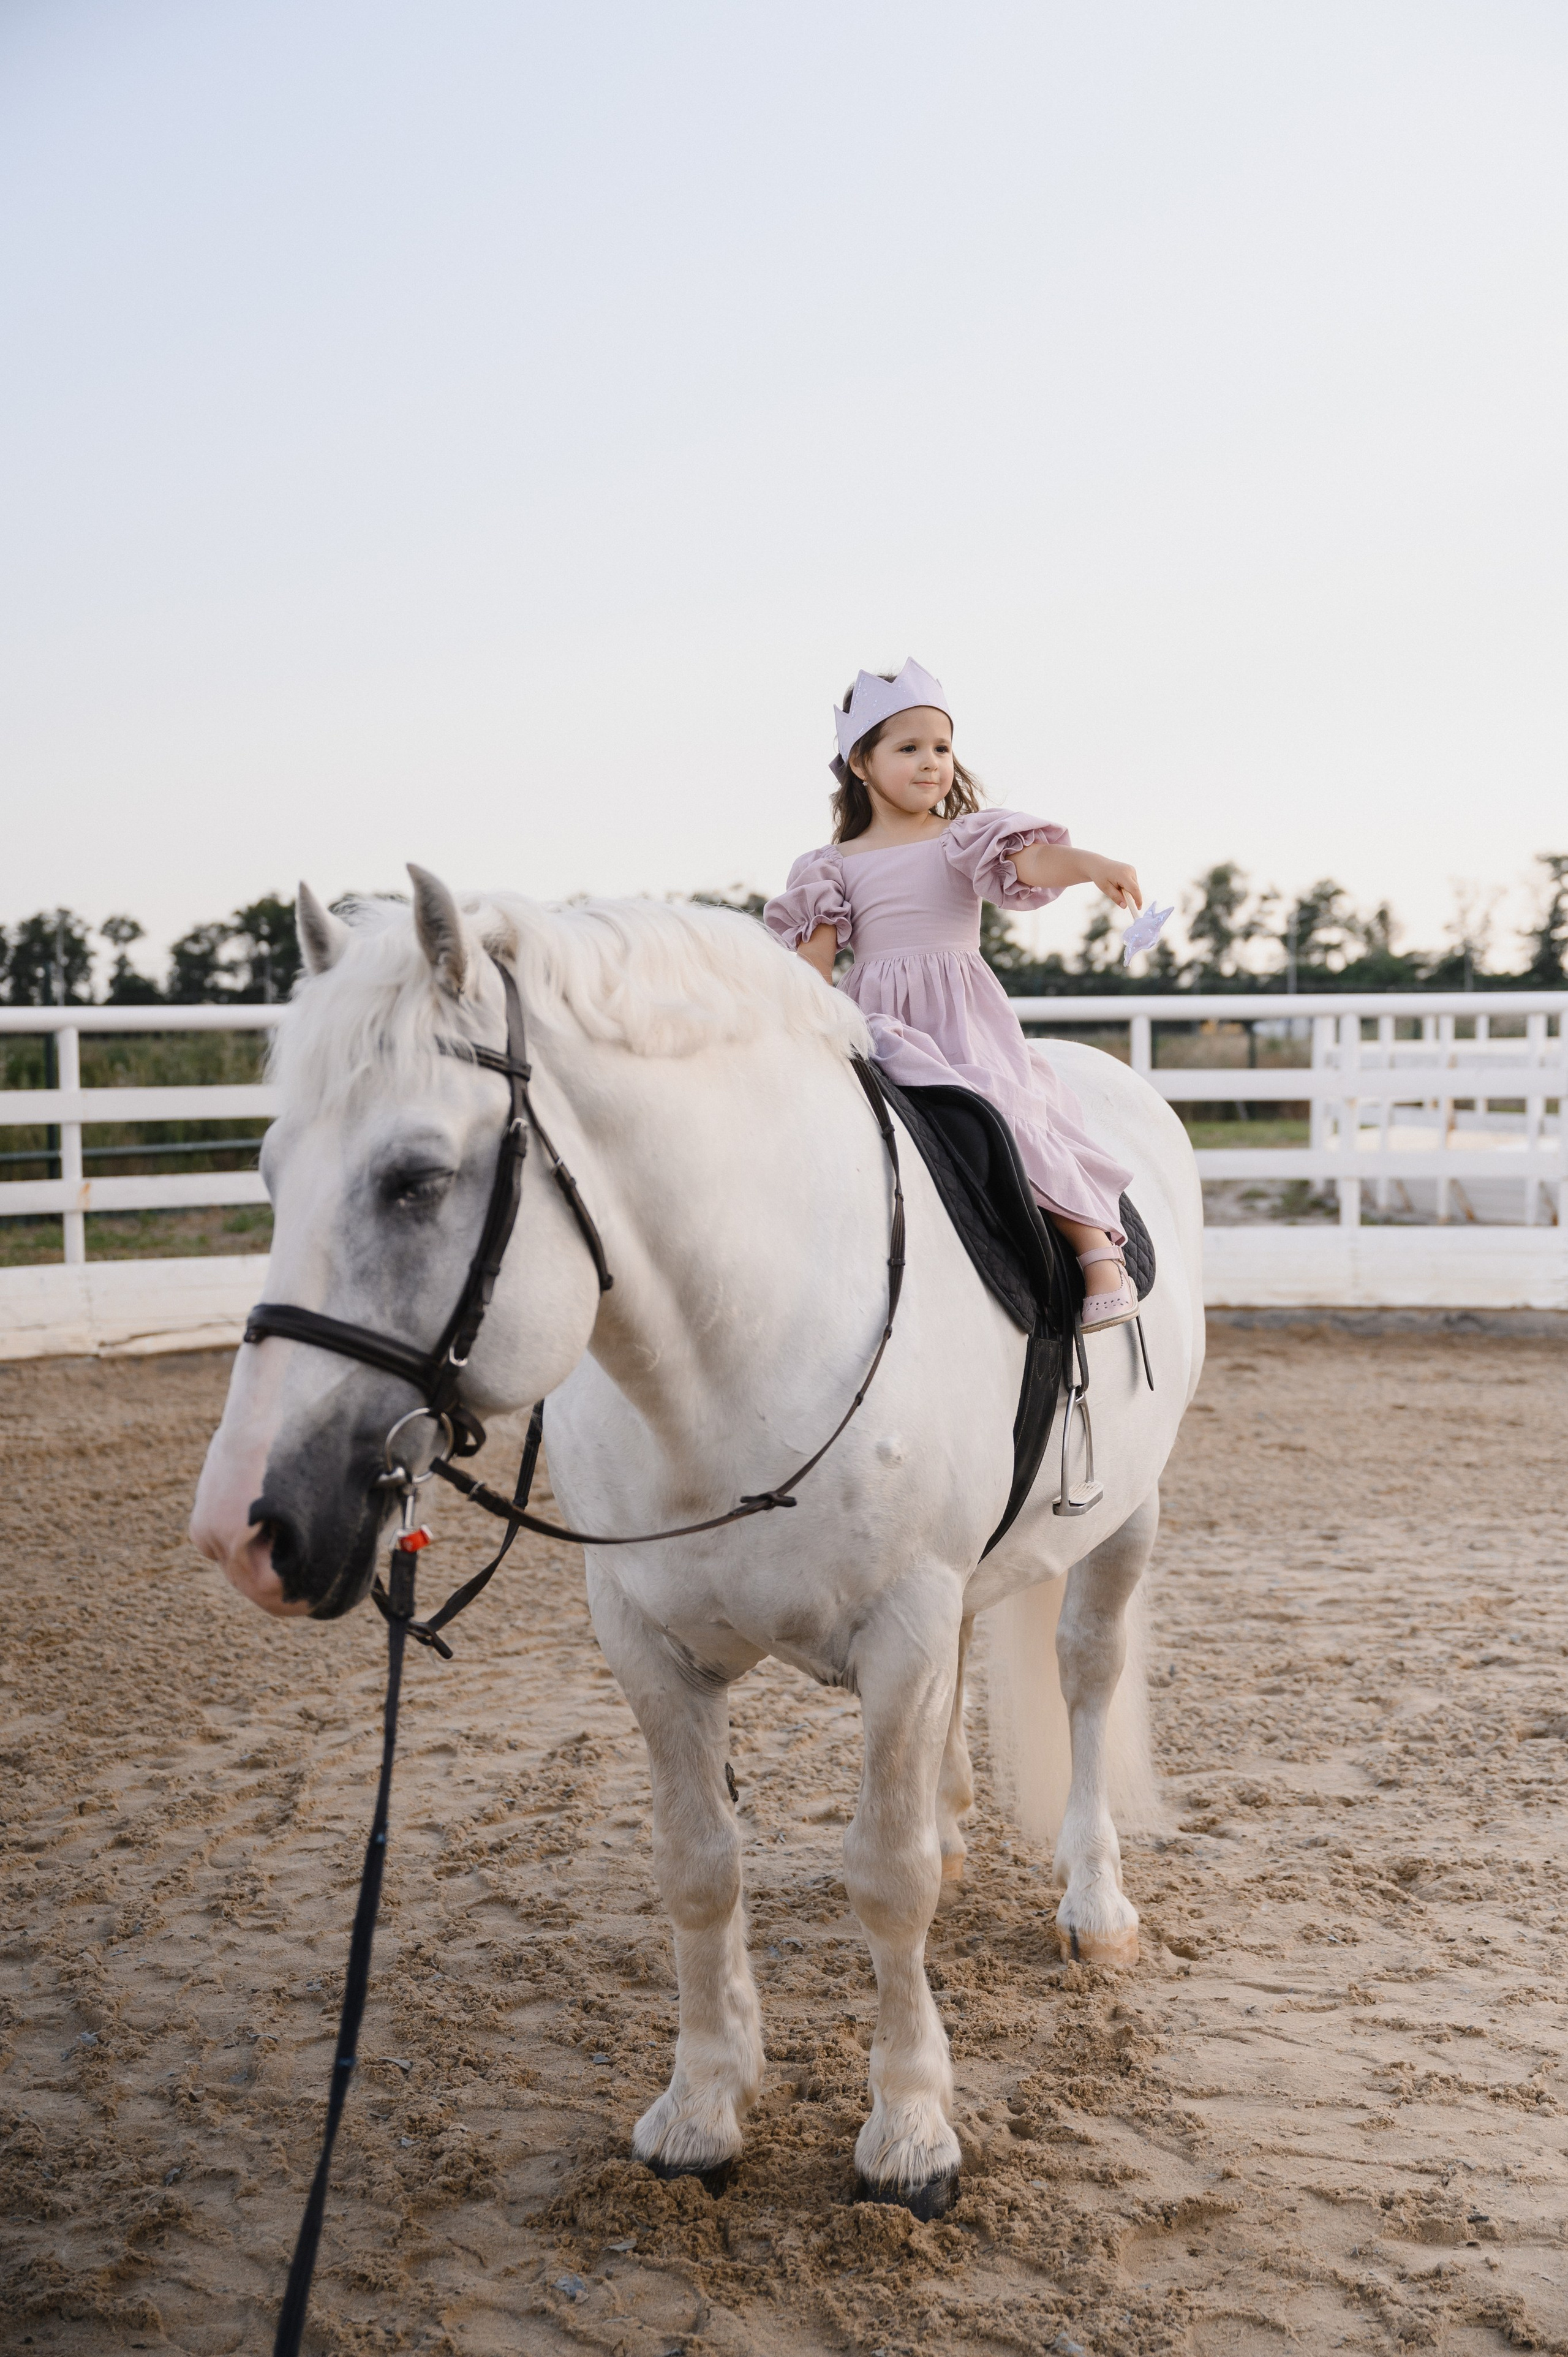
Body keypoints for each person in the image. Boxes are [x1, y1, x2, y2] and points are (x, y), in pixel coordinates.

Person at [763, 659, 1141, 1331]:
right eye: (908, 748)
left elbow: (1032, 863)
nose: (931, 762)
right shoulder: (830, 866)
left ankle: (1095, 1251)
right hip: (875, 1013)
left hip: (961, 1016)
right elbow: (814, 959)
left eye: (941, 748)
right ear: (861, 763)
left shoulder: (963, 838)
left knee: (1001, 1107)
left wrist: (1091, 864)